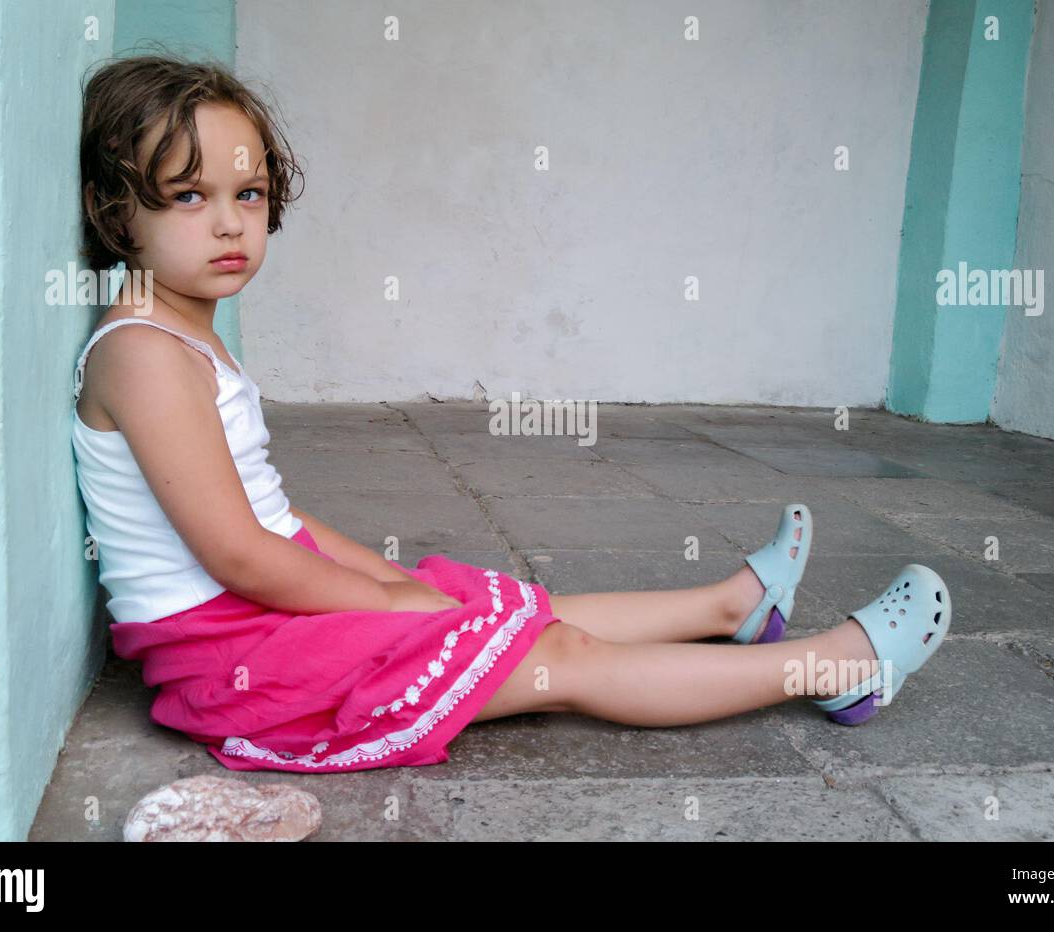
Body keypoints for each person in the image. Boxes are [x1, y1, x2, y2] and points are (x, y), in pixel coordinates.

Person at [72, 54, 954, 774]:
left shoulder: (178, 334)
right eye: (188, 197)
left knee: (502, 607)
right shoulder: (145, 355)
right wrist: (392, 607)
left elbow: (270, 515)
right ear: (119, 212)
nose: (229, 224)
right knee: (555, 658)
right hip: (234, 656)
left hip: (257, 605)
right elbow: (235, 553)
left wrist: (389, 586)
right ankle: (838, 668)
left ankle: (731, 606)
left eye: (249, 194)